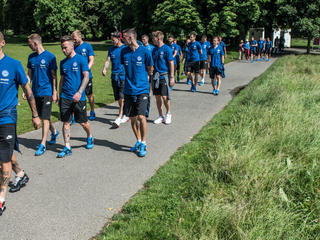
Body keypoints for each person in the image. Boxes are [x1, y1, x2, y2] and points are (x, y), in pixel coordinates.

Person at [0, 31, 41, 216]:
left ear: (2, 42)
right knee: (4, 154)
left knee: (3, 158)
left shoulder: (14, 65)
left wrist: (35, 115)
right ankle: (20, 174)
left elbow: (27, 89)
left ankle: (1, 200)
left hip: (7, 117)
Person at [58, 35, 94, 158]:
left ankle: (89, 136)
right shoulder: (62, 62)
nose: (63, 50)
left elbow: (86, 76)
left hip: (79, 98)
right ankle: (67, 146)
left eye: (65, 48)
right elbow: (62, 80)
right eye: (62, 48)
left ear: (72, 46)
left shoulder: (81, 60)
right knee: (66, 123)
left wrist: (79, 92)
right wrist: (59, 96)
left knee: (83, 122)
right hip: (65, 97)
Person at [24, 33, 59, 156]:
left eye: (30, 44)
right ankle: (54, 132)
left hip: (47, 91)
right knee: (45, 116)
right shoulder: (31, 57)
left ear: (35, 43)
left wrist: (54, 92)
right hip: (35, 92)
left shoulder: (50, 57)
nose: (29, 47)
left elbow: (54, 77)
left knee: (44, 118)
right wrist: (26, 89)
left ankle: (43, 144)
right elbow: (29, 75)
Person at [121, 28, 153, 157]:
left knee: (141, 117)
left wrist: (145, 79)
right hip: (128, 90)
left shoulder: (145, 51)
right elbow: (125, 67)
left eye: (124, 37)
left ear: (130, 38)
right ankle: (138, 140)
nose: (122, 39)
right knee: (133, 119)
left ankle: (144, 143)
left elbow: (150, 68)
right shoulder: (124, 52)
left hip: (142, 89)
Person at [102, 31, 129, 127]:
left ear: (119, 38)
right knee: (118, 97)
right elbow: (108, 60)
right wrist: (105, 68)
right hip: (114, 76)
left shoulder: (125, 48)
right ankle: (125, 113)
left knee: (121, 97)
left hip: (123, 76)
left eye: (113, 40)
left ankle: (120, 116)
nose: (112, 41)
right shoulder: (111, 49)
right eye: (111, 40)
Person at [151, 30, 175, 125]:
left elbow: (171, 63)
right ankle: (160, 115)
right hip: (156, 76)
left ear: (158, 38)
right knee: (157, 97)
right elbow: (152, 63)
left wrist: (172, 77)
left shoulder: (167, 49)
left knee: (165, 96)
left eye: (153, 38)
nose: (152, 40)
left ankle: (168, 113)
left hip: (164, 75)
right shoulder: (154, 50)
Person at [71, 30, 95, 121]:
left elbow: (91, 60)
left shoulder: (88, 46)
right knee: (75, 94)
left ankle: (92, 111)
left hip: (87, 75)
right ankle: (74, 115)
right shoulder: (74, 48)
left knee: (89, 94)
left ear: (80, 37)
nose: (74, 41)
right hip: (76, 76)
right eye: (73, 40)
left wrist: (85, 70)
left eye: (75, 39)